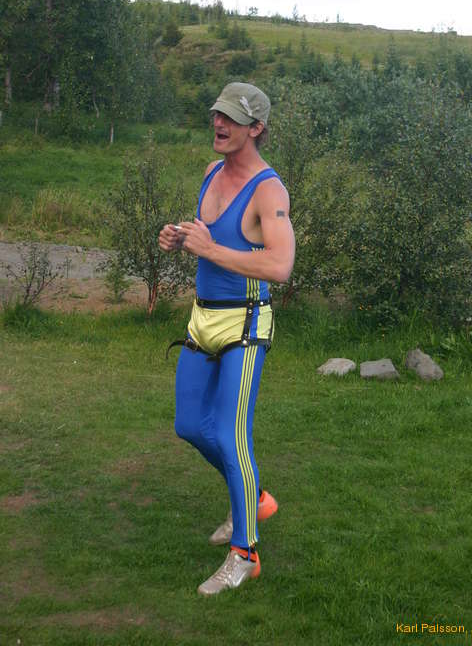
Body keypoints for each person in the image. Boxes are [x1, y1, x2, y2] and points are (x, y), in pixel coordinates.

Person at [159, 81, 295, 596]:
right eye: (217, 114)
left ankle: (245, 554)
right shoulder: (210, 173)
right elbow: (213, 237)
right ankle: (255, 498)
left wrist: (210, 250)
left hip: (246, 324)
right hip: (203, 317)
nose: (219, 123)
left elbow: (279, 265)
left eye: (232, 118)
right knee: (190, 425)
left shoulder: (269, 190)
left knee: (230, 434)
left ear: (256, 128)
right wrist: (181, 238)